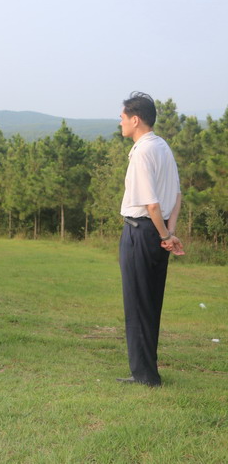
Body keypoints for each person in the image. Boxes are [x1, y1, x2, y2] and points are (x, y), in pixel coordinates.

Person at [117, 91, 184, 387]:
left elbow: (152, 204)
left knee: (137, 304)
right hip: (157, 233)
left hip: (141, 232)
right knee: (150, 303)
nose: (120, 122)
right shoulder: (162, 146)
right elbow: (177, 196)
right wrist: (169, 233)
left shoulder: (143, 151)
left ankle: (144, 376)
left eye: (122, 117)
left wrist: (165, 234)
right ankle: (147, 372)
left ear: (135, 120)